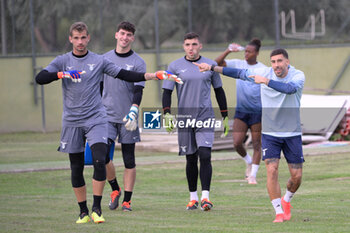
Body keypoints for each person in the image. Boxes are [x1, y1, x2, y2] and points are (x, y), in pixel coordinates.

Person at [35, 22, 181, 224]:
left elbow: (125, 75)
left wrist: (153, 75)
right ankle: (83, 211)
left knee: (99, 159)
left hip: (96, 118)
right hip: (71, 121)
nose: (80, 42)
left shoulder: (98, 61)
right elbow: (40, 78)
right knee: (76, 167)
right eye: (76, 38)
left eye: (83, 37)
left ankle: (97, 208)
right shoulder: (62, 61)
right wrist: (60, 74)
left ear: (89, 38)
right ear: (70, 39)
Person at [194, 48, 305, 222]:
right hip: (270, 133)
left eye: (280, 61)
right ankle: (278, 212)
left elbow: (289, 89)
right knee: (272, 170)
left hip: (292, 133)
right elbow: (239, 73)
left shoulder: (298, 75)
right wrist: (211, 68)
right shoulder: (263, 72)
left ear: (287, 62)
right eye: (273, 61)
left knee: (296, 177)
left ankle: (287, 199)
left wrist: (266, 82)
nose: (276, 65)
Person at [162, 32, 229, 211]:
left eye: (194, 44)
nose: (191, 48)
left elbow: (219, 91)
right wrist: (167, 113)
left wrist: (225, 116)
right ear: (183, 46)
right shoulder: (174, 66)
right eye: (187, 45)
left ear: (200, 46)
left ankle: (206, 197)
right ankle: (193, 198)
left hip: (205, 117)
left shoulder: (210, 65)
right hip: (184, 119)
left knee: (205, 155)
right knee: (190, 159)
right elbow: (167, 92)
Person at [102, 21, 146, 212]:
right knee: (101, 155)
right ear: (116, 35)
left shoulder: (138, 62)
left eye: (129, 35)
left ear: (132, 38)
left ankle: (127, 200)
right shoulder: (103, 59)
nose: (125, 37)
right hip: (105, 116)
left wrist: (134, 109)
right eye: (122, 33)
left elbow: (138, 89)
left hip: (128, 118)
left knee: (129, 159)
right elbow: (98, 87)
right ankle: (115, 189)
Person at [214, 39, 266, 184]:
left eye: (249, 52)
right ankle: (248, 162)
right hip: (241, 111)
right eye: (245, 51)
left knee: (257, 144)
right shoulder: (238, 64)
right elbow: (216, 64)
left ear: (256, 53)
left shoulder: (263, 69)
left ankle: (252, 176)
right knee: (237, 143)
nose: (246, 54)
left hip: (257, 112)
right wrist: (228, 50)